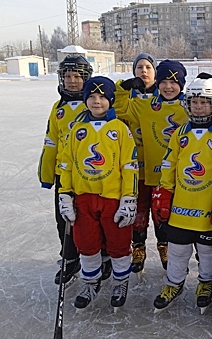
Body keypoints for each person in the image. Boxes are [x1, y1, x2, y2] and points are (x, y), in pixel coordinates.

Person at [151, 78, 212, 314]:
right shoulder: (180, 134)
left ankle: (206, 281)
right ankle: (173, 283)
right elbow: (170, 163)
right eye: (194, 102)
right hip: (181, 208)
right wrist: (164, 192)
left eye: (204, 102)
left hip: (209, 207)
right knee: (177, 249)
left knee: (208, 251)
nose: (198, 107)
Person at [58, 76, 138, 311]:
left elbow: (130, 165)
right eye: (91, 97)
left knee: (118, 242)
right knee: (86, 242)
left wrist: (129, 198)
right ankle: (90, 281)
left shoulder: (120, 129)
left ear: (111, 100)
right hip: (83, 198)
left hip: (113, 198)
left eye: (102, 97)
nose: (96, 101)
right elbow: (67, 163)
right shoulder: (77, 128)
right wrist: (65, 194)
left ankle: (120, 281)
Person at [38, 55, 103, 286]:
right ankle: (70, 258)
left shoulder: (96, 104)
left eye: (77, 76)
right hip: (64, 175)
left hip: (92, 174)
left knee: (92, 217)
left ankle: (100, 257)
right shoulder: (58, 109)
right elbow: (51, 142)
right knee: (64, 218)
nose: (72, 81)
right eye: (67, 76)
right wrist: (47, 174)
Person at [114, 53, 165, 275]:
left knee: (162, 210)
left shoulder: (165, 96)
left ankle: (165, 246)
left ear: (155, 72)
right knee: (139, 211)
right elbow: (113, 104)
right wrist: (124, 87)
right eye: (139, 68)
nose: (144, 71)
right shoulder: (128, 97)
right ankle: (139, 247)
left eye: (148, 68)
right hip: (134, 166)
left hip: (160, 167)